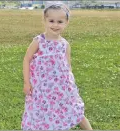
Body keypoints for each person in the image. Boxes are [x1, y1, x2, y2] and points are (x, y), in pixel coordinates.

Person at [21, 1, 93, 130]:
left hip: (62, 88)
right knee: (43, 114)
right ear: (44, 20)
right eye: (51, 21)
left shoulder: (64, 44)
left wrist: (71, 86)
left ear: (66, 23)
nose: (55, 25)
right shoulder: (39, 41)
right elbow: (26, 60)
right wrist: (27, 82)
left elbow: (68, 67)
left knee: (75, 110)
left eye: (60, 22)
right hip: (42, 89)